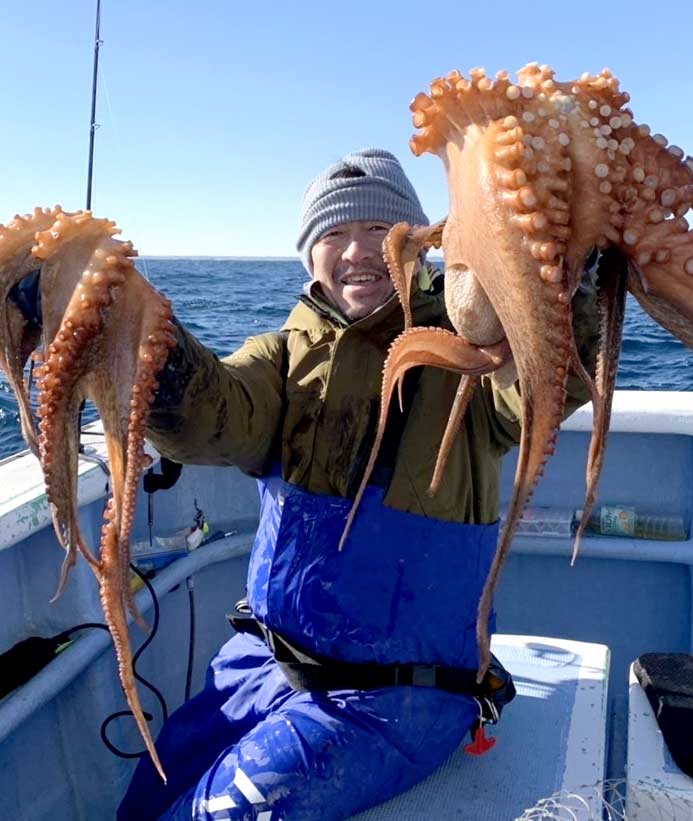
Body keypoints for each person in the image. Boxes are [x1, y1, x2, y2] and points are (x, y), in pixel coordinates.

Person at [117, 148, 599, 820]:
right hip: (263, 663)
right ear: (309, 255)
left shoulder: (472, 357)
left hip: (402, 697)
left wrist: (579, 286)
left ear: (424, 243)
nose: (358, 251)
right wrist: (140, 337)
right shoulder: (280, 358)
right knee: (149, 798)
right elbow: (211, 416)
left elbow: (538, 390)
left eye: (381, 230)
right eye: (334, 234)